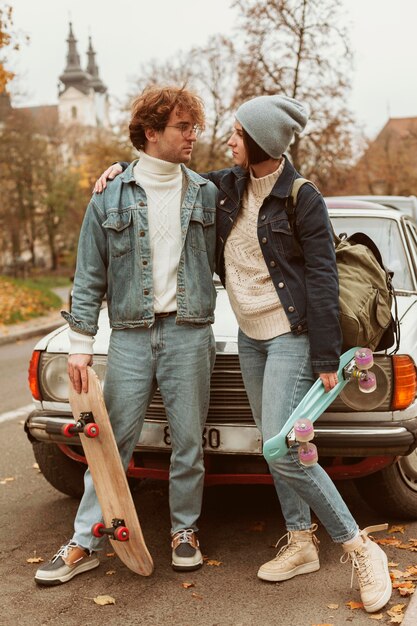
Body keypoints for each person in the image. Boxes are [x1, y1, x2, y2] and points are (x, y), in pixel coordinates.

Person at [94, 94, 392, 613]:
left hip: (291, 337)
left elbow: (321, 280)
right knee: (272, 444)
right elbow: (166, 174)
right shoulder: (227, 187)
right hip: (252, 338)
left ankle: (360, 548)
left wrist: (325, 356)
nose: (227, 140)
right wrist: (122, 168)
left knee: (283, 448)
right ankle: (301, 542)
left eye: (236, 133)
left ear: (260, 141)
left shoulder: (302, 198)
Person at [34, 86, 218, 586]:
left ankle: (185, 531)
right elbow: (88, 275)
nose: (193, 136)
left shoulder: (206, 191)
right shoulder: (109, 193)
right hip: (132, 335)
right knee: (109, 444)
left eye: (194, 126)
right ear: (151, 132)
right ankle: (84, 541)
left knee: (187, 442)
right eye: (184, 127)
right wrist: (79, 345)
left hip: (189, 331)